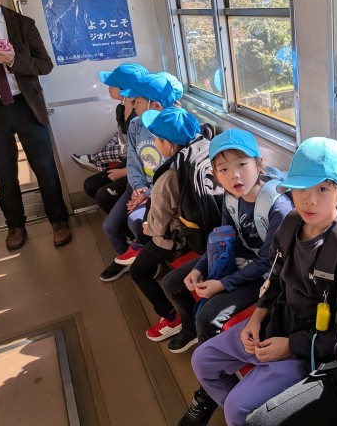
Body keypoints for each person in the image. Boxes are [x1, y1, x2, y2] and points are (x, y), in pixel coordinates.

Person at [187, 137, 337, 426]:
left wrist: (290, 346)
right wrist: (257, 318)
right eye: (301, 188)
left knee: (236, 408)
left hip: (305, 350)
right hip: (274, 323)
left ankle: (249, 414)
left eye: (322, 189)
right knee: (202, 360)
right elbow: (275, 277)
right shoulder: (290, 224)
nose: (309, 200)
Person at [166, 129, 293, 424]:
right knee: (173, 283)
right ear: (215, 174)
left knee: (208, 317)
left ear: (258, 164)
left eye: (242, 164)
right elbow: (224, 235)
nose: (234, 175)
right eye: (223, 169)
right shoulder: (231, 196)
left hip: (262, 273)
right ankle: (191, 334)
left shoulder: (277, 206)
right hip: (237, 257)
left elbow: (269, 262)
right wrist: (201, 267)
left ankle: (207, 394)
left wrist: (223, 284)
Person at [0, 0, 71, 250]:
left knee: (44, 166)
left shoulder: (22, 24)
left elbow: (45, 64)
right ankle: (15, 225)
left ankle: (58, 221)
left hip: (26, 104)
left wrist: (14, 60)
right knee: (3, 172)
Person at [126, 106, 203, 339]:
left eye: (156, 139)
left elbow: (158, 227)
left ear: (169, 144)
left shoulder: (168, 177)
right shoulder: (203, 155)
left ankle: (171, 317)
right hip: (200, 229)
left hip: (175, 237)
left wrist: (147, 227)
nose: (154, 142)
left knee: (138, 271)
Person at [99, 72, 181, 281]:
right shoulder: (136, 125)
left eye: (137, 101)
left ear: (156, 105)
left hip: (160, 193)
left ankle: (146, 262)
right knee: (110, 226)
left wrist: (148, 193)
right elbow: (133, 160)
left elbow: (172, 173)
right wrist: (139, 188)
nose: (132, 104)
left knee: (135, 221)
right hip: (139, 187)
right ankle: (129, 260)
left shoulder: (173, 128)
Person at [81, 63, 148, 213]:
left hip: (139, 168)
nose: (109, 87)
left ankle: (127, 221)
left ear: (125, 90)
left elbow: (146, 156)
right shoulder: (121, 109)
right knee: (90, 185)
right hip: (128, 161)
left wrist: (124, 172)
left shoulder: (140, 117)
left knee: (103, 196)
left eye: (112, 84)